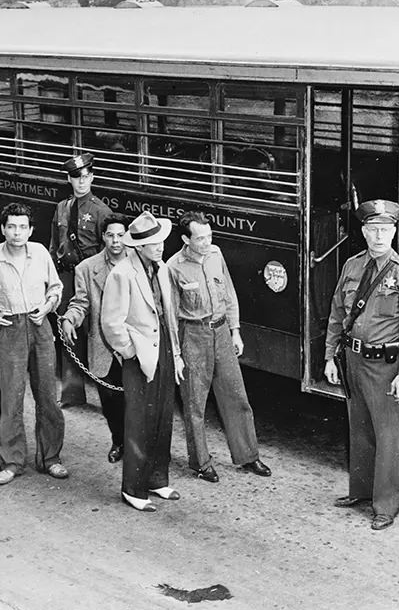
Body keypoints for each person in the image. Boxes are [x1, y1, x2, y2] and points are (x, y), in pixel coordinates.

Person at [324, 199, 399, 531]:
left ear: (394, 232)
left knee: (390, 437)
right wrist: (329, 356)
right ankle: (361, 492)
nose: (379, 236)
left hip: (386, 366)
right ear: (364, 232)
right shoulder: (352, 266)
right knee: (360, 429)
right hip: (353, 359)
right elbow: (338, 313)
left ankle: (386, 506)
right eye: (373, 229)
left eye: (385, 229)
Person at [0, 202, 68, 486]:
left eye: (22, 227)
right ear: (3, 229)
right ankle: (12, 460)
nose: (17, 232)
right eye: (11, 227)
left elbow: (55, 287)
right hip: (9, 330)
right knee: (11, 399)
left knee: (47, 396)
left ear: (31, 230)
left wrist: (48, 305)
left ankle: (51, 458)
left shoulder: (41, 252)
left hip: (39, 325)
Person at [166, 211, 271, 482]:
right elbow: (170, 314)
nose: (206, 242)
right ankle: (201, 463)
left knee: (236, 396)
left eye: (209, 236)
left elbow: (230, 293)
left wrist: (236, 332)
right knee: (194, 404)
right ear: (185, 239)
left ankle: (248, 456)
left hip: (222, 332)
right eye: (200, 238)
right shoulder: (173, 267)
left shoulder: (215, 254)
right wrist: (177, 353)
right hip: (193, 336)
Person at [101, 211, 184, 513]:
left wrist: (174, 351)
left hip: (161, 345)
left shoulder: (160, 268)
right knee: (138, 420)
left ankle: (157, 479)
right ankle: (133, 488)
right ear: (138, 246)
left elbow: (168, 315)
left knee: (162, 413)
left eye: (161, 240)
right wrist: (129, 352)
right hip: (139, 352)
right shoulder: (122, 273)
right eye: (152, 243)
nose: (160, 247)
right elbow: (111, 322)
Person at [60, 214, 129, 463]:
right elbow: (80, 303)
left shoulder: (138, 262)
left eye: (120, 235)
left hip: (133, 346)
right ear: (102, 237)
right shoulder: (87, 268)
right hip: (104, 347)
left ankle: (138, 447)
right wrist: (69, 318)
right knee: (110, 401)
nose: (116, 241)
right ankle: (119, 441)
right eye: (110, 235)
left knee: (137, 400)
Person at [49, 153, 112, 407]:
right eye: (77, 177)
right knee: (68, 331)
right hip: (66, 276)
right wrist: (52, 276)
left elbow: (107, 251)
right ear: (69, 179)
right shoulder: (62, 208)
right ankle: (72, 393)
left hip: (91, 279)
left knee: (97, 333)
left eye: (86, 176)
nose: (82, 182)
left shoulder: (100, 211)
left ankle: (107, 393)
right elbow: (55, 244)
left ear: (93, 177)